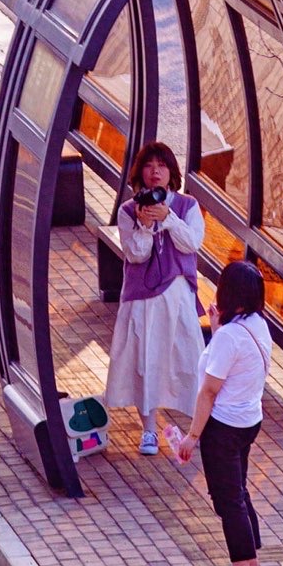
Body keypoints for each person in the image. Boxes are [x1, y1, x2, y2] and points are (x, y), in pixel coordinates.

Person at [105, 141, 204, 456]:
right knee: (143, 362)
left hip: (177, 296)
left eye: (161, 165)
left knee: (188, 357)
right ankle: (148, 430)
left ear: (171, 171)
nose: (155, 171)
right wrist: (145, 224)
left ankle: (197, 427)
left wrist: (169, 217)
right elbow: (135, 255)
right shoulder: (127, 211)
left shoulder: (188, 205)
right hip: (142, 298)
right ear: (140, 173)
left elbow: (192, 244)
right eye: (149, 166)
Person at [185, 258, 271, 566]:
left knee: (228, 500)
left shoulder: (229, 337)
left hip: (223, 428)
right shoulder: (258, 325)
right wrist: (219, 328)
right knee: (239, 493)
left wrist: (192, 436)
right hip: (249, 419)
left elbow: (209, 390)